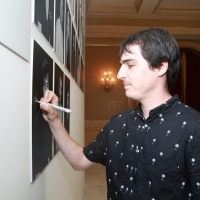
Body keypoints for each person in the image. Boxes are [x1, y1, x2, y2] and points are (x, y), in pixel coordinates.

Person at [39, 28, 200, 199]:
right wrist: (54, 120)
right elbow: (79, 160)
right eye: (121, 65)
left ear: (160, 67)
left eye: (130, 65)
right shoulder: (118, 123)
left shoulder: (193, 127)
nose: (119, 74)